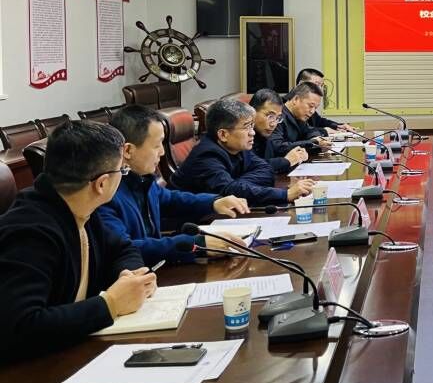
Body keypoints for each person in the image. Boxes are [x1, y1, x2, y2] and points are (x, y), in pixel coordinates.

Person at [0, 121, 157, 363]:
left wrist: (129, 275)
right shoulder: (29, 233)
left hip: (72, 352)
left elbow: (122, 248)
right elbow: (21, 327)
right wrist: (111, 304)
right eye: (122, 171)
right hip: (30, 374)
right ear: (102, 184)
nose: (123, 176)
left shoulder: (80, 207)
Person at [98, 105, 251, 265]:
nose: (162, 152)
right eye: (157, 145)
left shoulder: (142, 179)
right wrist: (197, 244)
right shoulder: (105, 195)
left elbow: (170, 199)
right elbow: (125, 249)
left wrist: (213, 202)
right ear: (128, 150)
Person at [172, 99, 313, 205]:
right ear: (223, 135)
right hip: (190, 223)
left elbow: (266, 170)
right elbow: (229, 193)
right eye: (246, 127)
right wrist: (285, 195)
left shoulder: (238, 147)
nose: (252, 133)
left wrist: (237, 185)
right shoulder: (206, 155)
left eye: (252, 126)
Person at [250, 88, 309, 175]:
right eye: (270, 116)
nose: (273, 124)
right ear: (252, 112)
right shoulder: (243, 136)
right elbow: (251, 167)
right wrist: (286, 161)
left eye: (278, 118)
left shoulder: (266, 136)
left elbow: (274, 160)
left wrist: (297, 156)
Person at [271, 81, 332, 156]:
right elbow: (278, 147)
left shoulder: (299, 116)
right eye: (310, 106)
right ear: (296, 99)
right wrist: (314, 142)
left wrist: (319, 143)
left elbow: (310, 131)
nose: (312, 111)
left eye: (315, 108)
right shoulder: (278, 116)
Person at [294, 68, 357, 134]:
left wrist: (338, 126)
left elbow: (319, 121)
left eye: (321, 85)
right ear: (301, 83)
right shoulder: (288, 104)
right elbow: (301, 131)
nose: (320, 89)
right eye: (317, 84)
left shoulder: (309, 102)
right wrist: (324, 130)